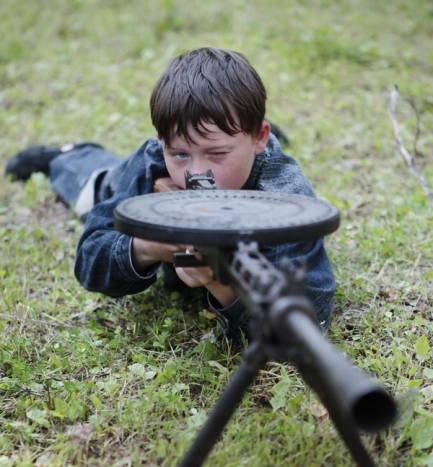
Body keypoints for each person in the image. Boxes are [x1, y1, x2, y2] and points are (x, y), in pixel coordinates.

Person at [5, 47, 335, 340]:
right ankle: (65, 154)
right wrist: (150, 246)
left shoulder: (287, 196)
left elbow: (309, 318)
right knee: (97, 185)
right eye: (180, 154)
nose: (196, 173)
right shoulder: (154, 161)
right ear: (161, 142)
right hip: (125, 172)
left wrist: (221, 284)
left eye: (217, 153)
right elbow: (91, 262)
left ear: (259, 138)